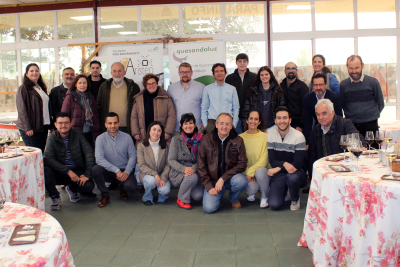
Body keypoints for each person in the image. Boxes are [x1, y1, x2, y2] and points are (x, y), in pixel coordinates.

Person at [43, 112, 95, 210]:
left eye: (66, 123)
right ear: (55, 125)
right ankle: (55, 197)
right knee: (45, 171)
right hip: (60, 172)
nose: (63, 125)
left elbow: (89, 153)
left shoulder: (78, 135)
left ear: (71, 124)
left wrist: (87, 174)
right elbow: (48, 158)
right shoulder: (52, 138)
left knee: (88, 186)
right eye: (60, 123)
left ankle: (71, 188)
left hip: (76, 170)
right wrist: (67, 171)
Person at [198, 113, 247, 213]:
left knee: (241, 181)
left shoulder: (238, 140)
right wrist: (209, 186)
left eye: (227, 124)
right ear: (216, 124)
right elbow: (201, 165)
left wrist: (223, 178)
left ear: (231, 126)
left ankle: (234, 199)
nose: (224, 127)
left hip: (230, 179)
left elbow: (242, 164)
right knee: (209, 209)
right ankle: (218, 195)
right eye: (222, 123)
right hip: (213, 181)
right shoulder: (207, 139)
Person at [307, 99, 366, 179]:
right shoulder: (315, 130)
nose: (320, 117)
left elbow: (357, 138)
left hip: (344, 171)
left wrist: (361, 146)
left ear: (332, 113)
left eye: (324, 114)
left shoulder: (345, 124)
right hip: (324, 172)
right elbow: (312, 158)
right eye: (318, 114)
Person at [92, 112, 138, 207]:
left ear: (119, 123)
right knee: (95, 170)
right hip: (108, 171)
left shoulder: (127, 137)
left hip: (124, 170)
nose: (113, 125)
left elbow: (133, 155)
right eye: (110, 123)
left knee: (131, 187)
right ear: (105, 124)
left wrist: (127, 172)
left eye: (115, 123)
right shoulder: (100, 139)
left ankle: (122, 188)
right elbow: (99, 159)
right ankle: (105, 195)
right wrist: (116, 170)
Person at [340, 55, 384, 148]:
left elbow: (380, 103)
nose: (354, 71)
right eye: (351, 68)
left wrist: (370, 115)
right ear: (347, 67)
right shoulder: (343, 85)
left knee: (373, 154)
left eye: (357, 68)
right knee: (353, 154)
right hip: (352, 125)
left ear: (362, 66)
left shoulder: (373, 82)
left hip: (371, 125)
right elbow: (343, 104)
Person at [267, 106, 306, 211]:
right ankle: (284, 191)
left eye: (285, 118)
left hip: (297, 172)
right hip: (280, 173)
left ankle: (295, 198)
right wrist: (284, 164)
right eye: (279, 118)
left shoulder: (299, 136)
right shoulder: (270, 136)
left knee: (292, 178)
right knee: (274, 205)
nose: (282, 121)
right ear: (275, 121)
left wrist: (278, 168)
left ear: (290, 120)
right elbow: (272, 161)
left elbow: (297, 164)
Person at [168, 113, 204, 210]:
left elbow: (203, 159)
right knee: (192, 177)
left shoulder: (201, 139)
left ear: (195, 124)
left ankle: (188, 193)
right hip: (179, 171)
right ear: (182, 126)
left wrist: (193, 168)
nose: (188, 126)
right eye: (185, 123)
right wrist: (184, 169)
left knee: (198, 196)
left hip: (195, 170)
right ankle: (181, 199)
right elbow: (171, 159)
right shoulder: (176, 139)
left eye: (191, 123)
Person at [16, 63, 51, 153]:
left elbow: (46, 108)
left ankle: (41, 168)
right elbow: (22, 109)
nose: (34, 72)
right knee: (34, 154)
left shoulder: (40, 88)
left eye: (36, 70)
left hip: (43, 126)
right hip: (31, 127)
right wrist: (27, 127)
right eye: (31, 71)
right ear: (27, 74)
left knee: (40, 153)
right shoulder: (23, 88)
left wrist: (50, 125)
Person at [131, 73, 176, 143]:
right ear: (145, 85)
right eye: (148, 84)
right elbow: (134, 117)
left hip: (161, 136)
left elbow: (172, 116)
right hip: (143, 136)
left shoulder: (166, 98)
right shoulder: (138, 99)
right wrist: (135, 132)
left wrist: (167, 132)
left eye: (153, 83)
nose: (151, 85)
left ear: (157, 83)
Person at [97, 62, 140, 134]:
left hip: (127, 127)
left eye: (119, 71)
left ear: (124, 72)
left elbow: (139, 108)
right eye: (114, 71)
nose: (117, 73)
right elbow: (98, 106)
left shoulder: (133, 86)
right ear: (111, 73)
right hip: (110, 127)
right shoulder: (104, 86)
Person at [240, 110, 271, 208]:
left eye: (256, 119)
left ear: (259, 122)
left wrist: (251, 171)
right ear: (247, 120)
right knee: (251, 189)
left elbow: (264, 159)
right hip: (248, 174)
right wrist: (247, 172)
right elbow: (238, 160)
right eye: (251, 118)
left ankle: (264, 197)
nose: (253, 121)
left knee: (260, 171)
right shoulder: (240, 138)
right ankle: (252, 193)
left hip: (262, 171)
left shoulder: (265, 137)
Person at [303, 73, 343, 145]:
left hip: (333, 129)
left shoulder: (334, 97)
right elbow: (307, 121)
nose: (318, 87)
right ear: (312, 86)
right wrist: (307, 142)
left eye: (321, 84)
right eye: (316, 85)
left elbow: (339, 118)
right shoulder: (308, 98)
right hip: (317, 129)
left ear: (326, 85)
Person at [137, 121, 171, 206]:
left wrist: (163, 177)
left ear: (161, 133)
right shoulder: (141, 146)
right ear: (149, 131)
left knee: (165, 190)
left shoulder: (166, 146)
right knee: (150, 181)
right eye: (154, 129)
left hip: (162, 173)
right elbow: (141, 165)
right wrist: (155, 174)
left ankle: (162, 196)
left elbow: (168, 164)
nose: (156, 132)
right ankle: (147, 198)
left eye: (159, 130)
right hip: (147, 174)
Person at [61, 74, 100, 146]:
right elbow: (64, 117)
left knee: (89, 155)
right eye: (80, 83)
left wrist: (96, 132)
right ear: (75, 84)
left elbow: (96, 115)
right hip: (76, 133)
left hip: (90, 133)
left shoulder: (90, 97)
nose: (82, 85)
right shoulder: (70, 98)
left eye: (84, 83)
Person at [201, 63, 239, 134]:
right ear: (213, 74)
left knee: (227, 145)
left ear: (225, 73)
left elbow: (236, 108)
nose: (219, 73)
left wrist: (234, 124)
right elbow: (204, 108)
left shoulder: (232, 89)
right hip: (212, 124)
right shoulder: (207, 89)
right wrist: (206, 125)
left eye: (221, 71)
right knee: (211, 145)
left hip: (227, 124)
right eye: (217, 71)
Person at [168, 62, 205, 135]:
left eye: (187, 72)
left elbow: (205, 107)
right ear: (179, 73)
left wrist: (204, 123)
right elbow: (168, 108)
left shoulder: (201, 87)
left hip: (196, 128)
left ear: (191, 72)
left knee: (197, 146)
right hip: (177, 128)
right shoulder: (171, 88)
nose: (184, 74)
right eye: (182, 72)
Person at [225, 53, 257, 134]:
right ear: (236, 63)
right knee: (237, 140)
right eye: (240, 61)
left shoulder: (254, 77)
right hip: (235, 116)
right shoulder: (229, 78)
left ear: (247, 63)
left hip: (250, 115)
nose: (242, 63)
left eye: (244, 61)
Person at [280, 62, 309, 132]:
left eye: (293, 68)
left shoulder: (303, 87)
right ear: (285, 71)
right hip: (283, 123)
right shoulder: (281, 86)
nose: (291, 71)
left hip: (298, 125)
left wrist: (300, 125)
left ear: (296, 71)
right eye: (288, 69)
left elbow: (305, 107)